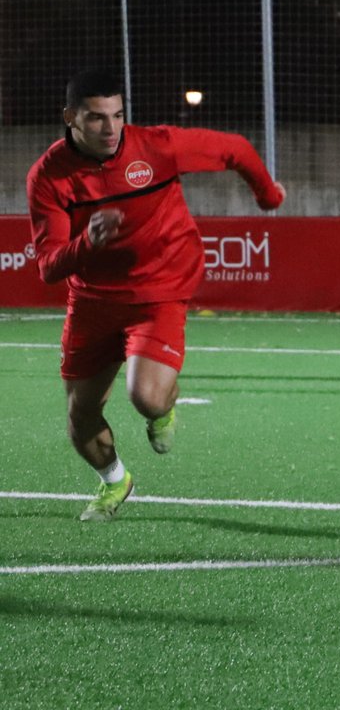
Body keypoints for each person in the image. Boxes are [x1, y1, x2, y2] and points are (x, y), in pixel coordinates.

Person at [26, 69, 286, 522]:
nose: (110, 129)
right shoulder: (48, 176)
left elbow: (236, 149)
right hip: (93, 301)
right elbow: (49, 266)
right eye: (95, 118)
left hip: (160, 288)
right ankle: (115, 481)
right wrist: (89, 242)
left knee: (146, 396)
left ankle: (162, 409)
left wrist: (267, 196)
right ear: (70, 118)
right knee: (80, 416)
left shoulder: (157, 146)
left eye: (118, 115)